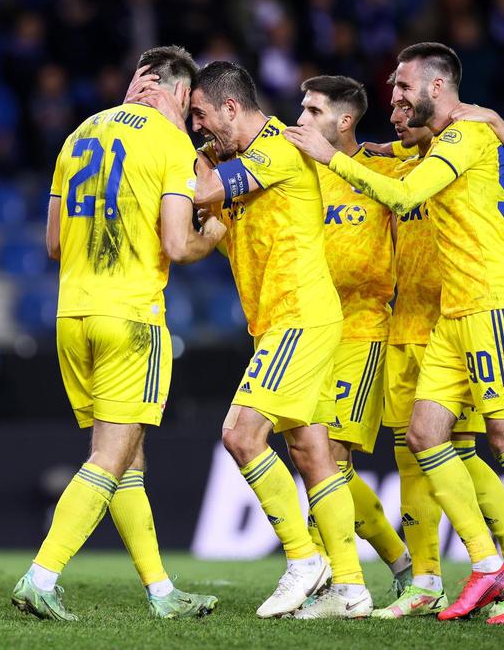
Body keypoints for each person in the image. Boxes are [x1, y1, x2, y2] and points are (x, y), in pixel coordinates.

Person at [284, 42, 504, 624]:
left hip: (492, 304)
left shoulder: (464, 138)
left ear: (437, 87)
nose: (394, 100)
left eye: (403, 88)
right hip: (446, 317)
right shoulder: (428, 148)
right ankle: (488, 569)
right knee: (424, 436)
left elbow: (418, 192)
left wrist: (490, 119)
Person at [12, 46, 226, 622]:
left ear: (138, 81)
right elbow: (179, 245)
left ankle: (161, 594)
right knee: (110, 459)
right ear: (182, 95)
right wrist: (216, 231)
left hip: (72, 317)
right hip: (131, 319)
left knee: (128, 462)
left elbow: (53, 245)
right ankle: (41, 575)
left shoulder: (79, 132)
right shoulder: (171, 142)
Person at [187, 61, 370, 619]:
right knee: (313, 454)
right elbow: (215, 231)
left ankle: (302, 558)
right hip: (282, 322)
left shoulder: (276, 149)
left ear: (230, 108)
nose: (198, 127)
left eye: (200, 116)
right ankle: (351, 588)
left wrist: (169, 144)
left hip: (299, 318)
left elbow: (203, 190)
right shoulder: (244, 163)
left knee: (241, 436)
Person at [365, 100, 504, 619]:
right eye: (392, 105)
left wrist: (493, 120)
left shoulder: (463, 148)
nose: (396, 113)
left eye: (405, 100)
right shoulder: (397, 159)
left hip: (471, 311)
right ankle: (429, 578)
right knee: (415, 450)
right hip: (414, 324)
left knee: (472, 450)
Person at [293, 75, 413, 596]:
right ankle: (397, 557)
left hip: (363, 328)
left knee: (334, 458)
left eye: (312, 111)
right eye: (301, 109)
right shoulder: (298, 174)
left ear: (344, 121)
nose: (300, 119)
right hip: (308, 330)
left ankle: (332, 575)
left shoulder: (384, 170)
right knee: (315, 461)